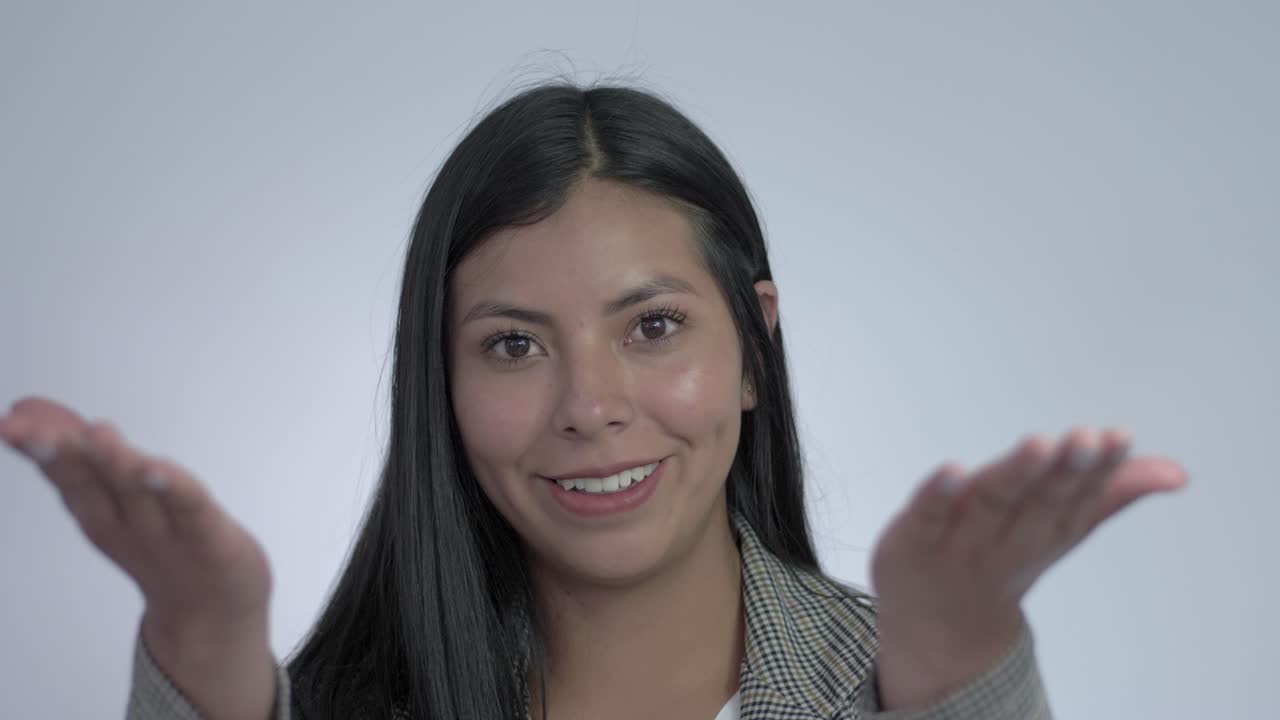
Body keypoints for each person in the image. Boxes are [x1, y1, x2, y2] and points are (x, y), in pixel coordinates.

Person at [0, 82, 1188, 720]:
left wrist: (956, 669)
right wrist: (202, 655)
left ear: (753, 350)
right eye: (514, 346)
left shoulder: (896, 684)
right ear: (443, 382)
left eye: (653, 327)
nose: (589, 404)